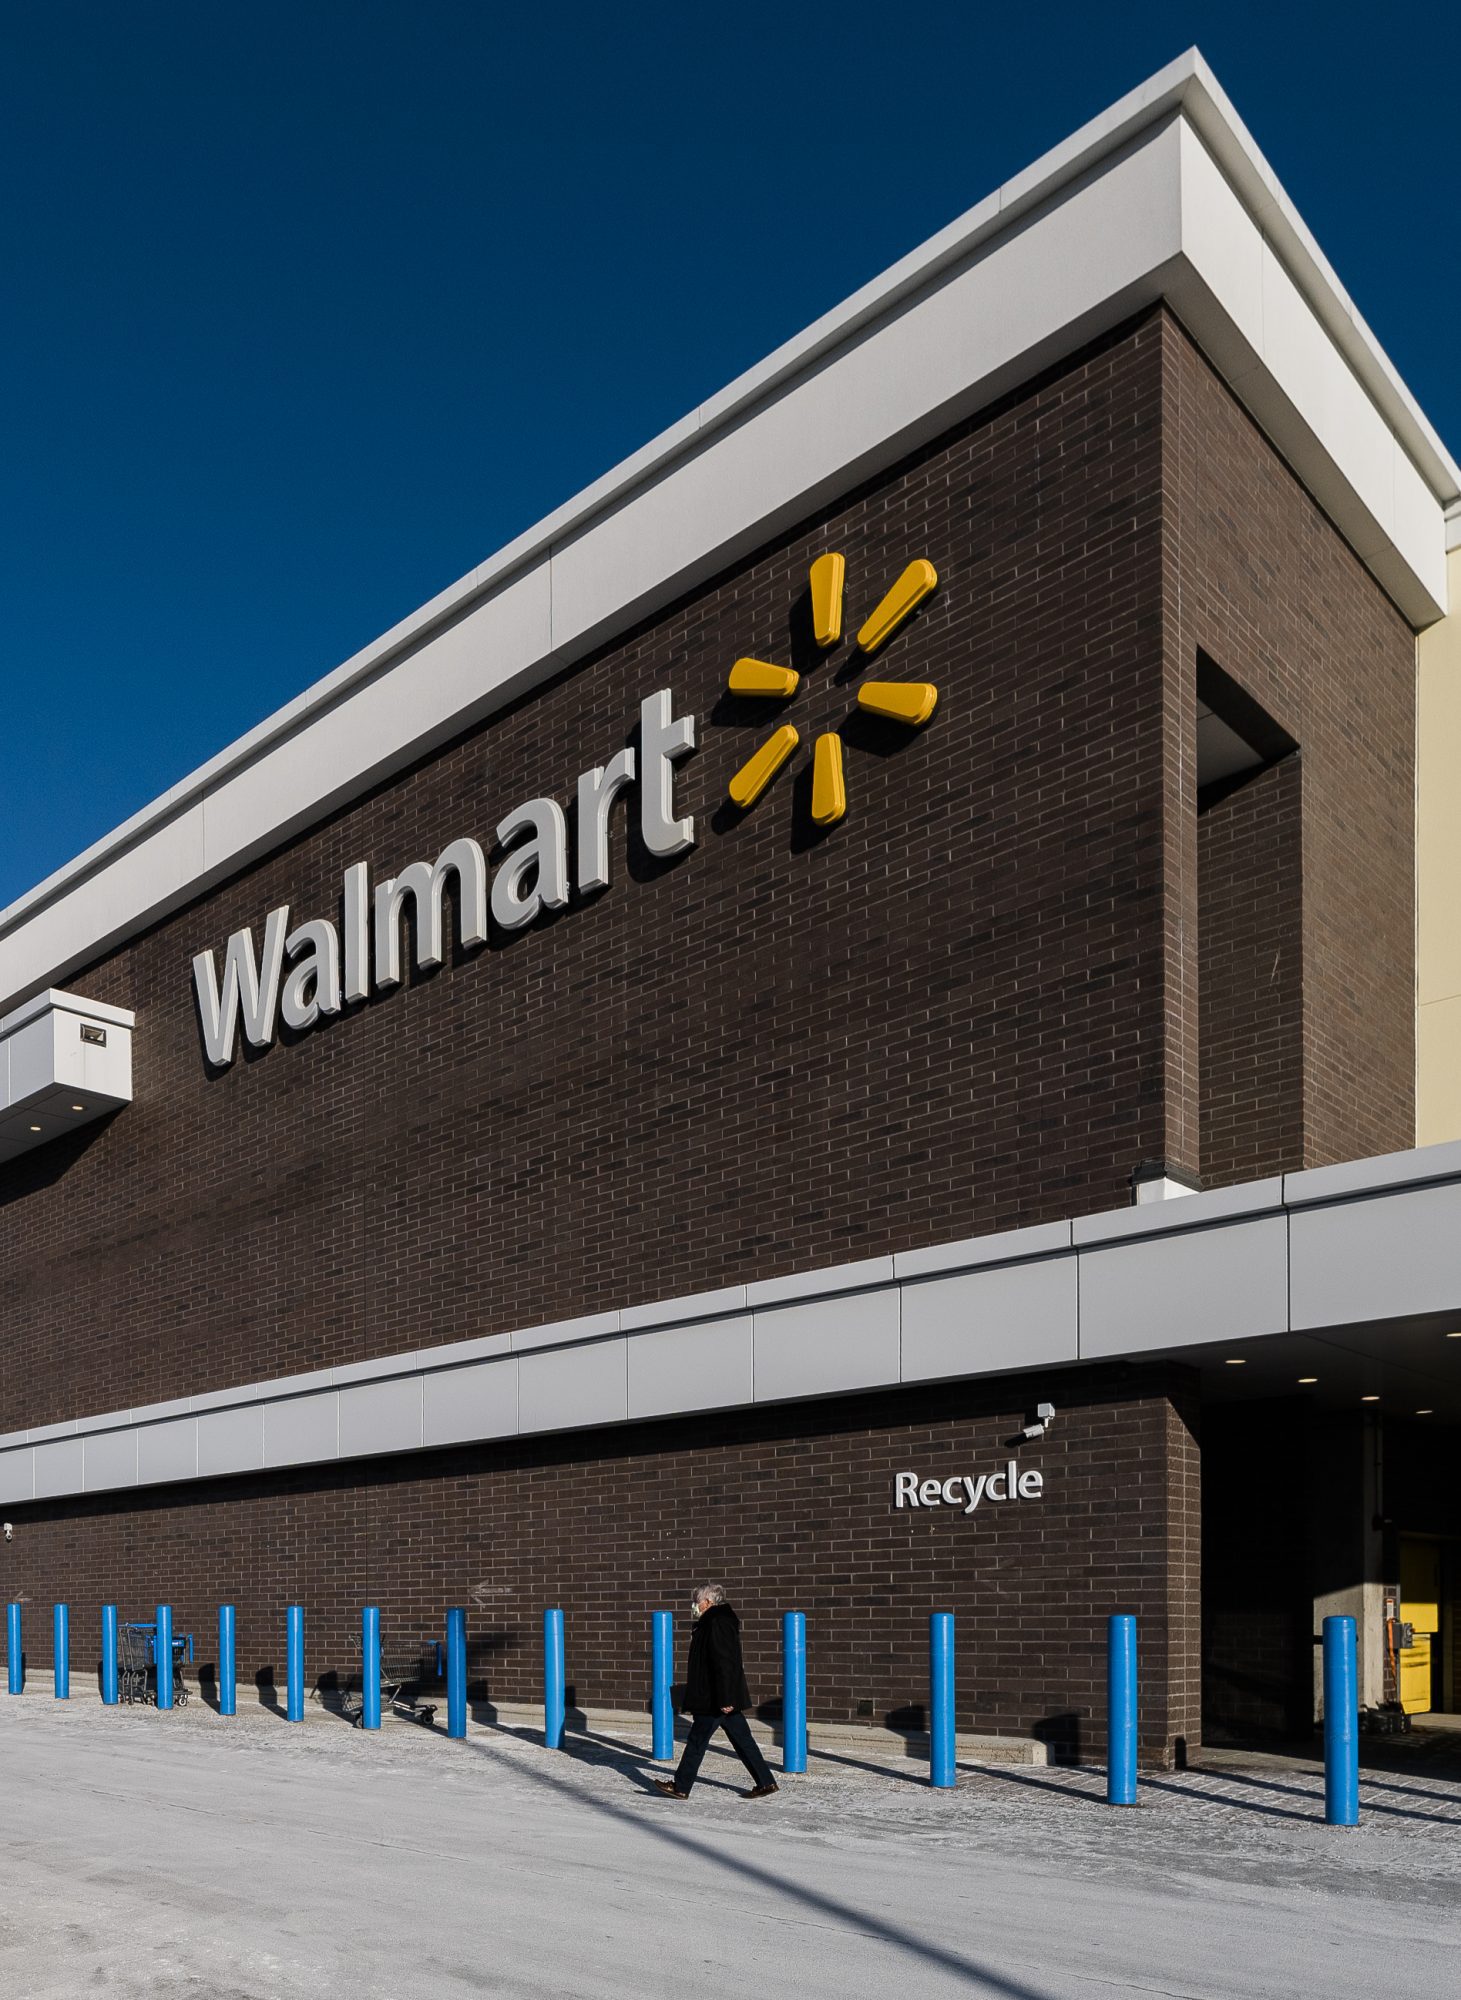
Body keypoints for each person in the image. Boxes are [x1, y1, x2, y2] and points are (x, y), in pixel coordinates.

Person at [652, 1584, 779, 1801]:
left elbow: (724, 1662)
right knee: (742, 1740)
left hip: (714, 1697)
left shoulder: (716, 1622)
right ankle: (766, 1782)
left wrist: (726, 1697)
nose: (695, 1606)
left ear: (708, 1602)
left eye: (697, 1601)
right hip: (718, 1696)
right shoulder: (715, 1621)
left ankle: (681, 1786)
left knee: (697, 1740)